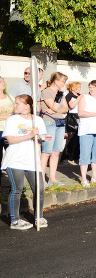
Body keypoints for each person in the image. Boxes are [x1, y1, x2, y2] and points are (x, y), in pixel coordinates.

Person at [2, 95, 49, 229]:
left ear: (27, 106)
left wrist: (41, 138)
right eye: (15, 103)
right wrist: (29, 135)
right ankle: (15, 220)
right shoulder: (12, 120)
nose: (15, 106)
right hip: (15, 159)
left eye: (18, 104)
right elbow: (10, 140)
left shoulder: (37, 120)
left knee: (39, 190)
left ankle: (38, 217)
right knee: (17, 189)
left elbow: (41, 138)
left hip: (32, 160)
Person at [40, 71, 69, 186]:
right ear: (56, 81)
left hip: (60, 123)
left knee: (56, 152)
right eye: (63, 81)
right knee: (46, 151)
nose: (64, 84)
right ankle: (42, 178)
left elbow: (66, 109)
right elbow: (53, 106)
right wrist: (57, 101)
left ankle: (52, 177)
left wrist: (56, 109)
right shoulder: (47, 92)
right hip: (49, 122)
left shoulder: (60, 93)